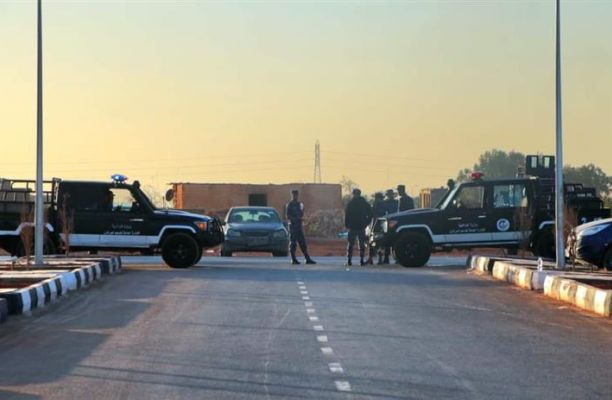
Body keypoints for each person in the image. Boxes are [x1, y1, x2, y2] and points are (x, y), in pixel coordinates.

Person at [285, 189, 316, 265]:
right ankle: (293, 259)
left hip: (299, 226)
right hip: (293, 226)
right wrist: (296, 219)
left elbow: (302, 213)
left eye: (296, 195)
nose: (295, 196)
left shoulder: (300, 204)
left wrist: (302, 218)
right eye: (294, 195)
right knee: (293, 243)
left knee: (302, 243)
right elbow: (288, 216)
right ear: (292, 195)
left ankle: (307, 258)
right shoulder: (290, 205)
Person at [344, 188, 373, 266]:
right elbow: (370, 214)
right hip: (358, 227)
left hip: (355, 227)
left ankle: (354, 260)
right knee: (357, 244)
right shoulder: (364, 203)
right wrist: (366, 222)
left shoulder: (351, 203)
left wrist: (347, 224)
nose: (355, 195)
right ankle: (358, 260)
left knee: (354, 244)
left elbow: (347, 215)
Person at [381, 189, 398, 264]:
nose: (390, 196)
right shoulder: (386, 203)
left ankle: (395, 258)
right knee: (387, 242)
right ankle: (386, 258)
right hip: (388, 224)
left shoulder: (396, 202)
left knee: (394, 242)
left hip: (393, 223)